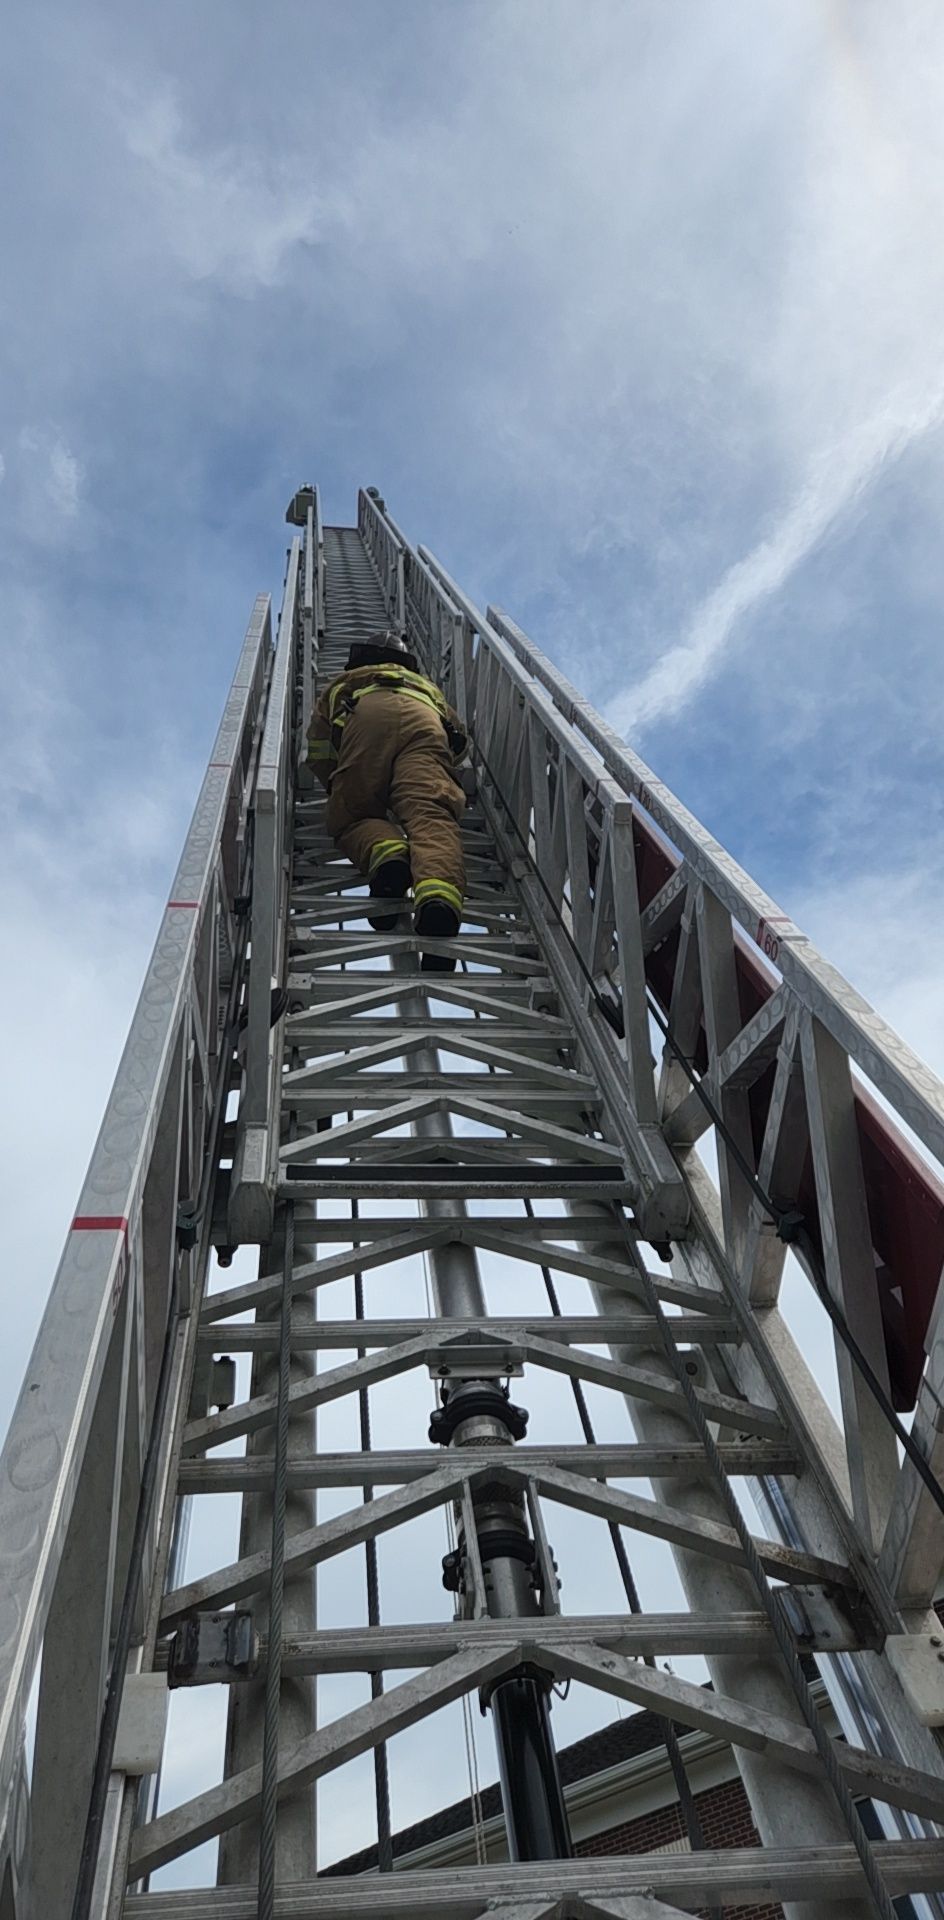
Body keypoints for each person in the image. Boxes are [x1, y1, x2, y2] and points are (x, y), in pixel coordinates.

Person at [306, 631, 467, 972]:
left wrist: (339, 784)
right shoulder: (428, 688)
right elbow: (460, 741)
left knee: (351, 814)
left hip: (367, 719)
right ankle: (438, 899)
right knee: (431, 816)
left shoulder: (347, 681)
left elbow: (319, 746)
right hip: (425, 725)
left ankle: (389, 853)